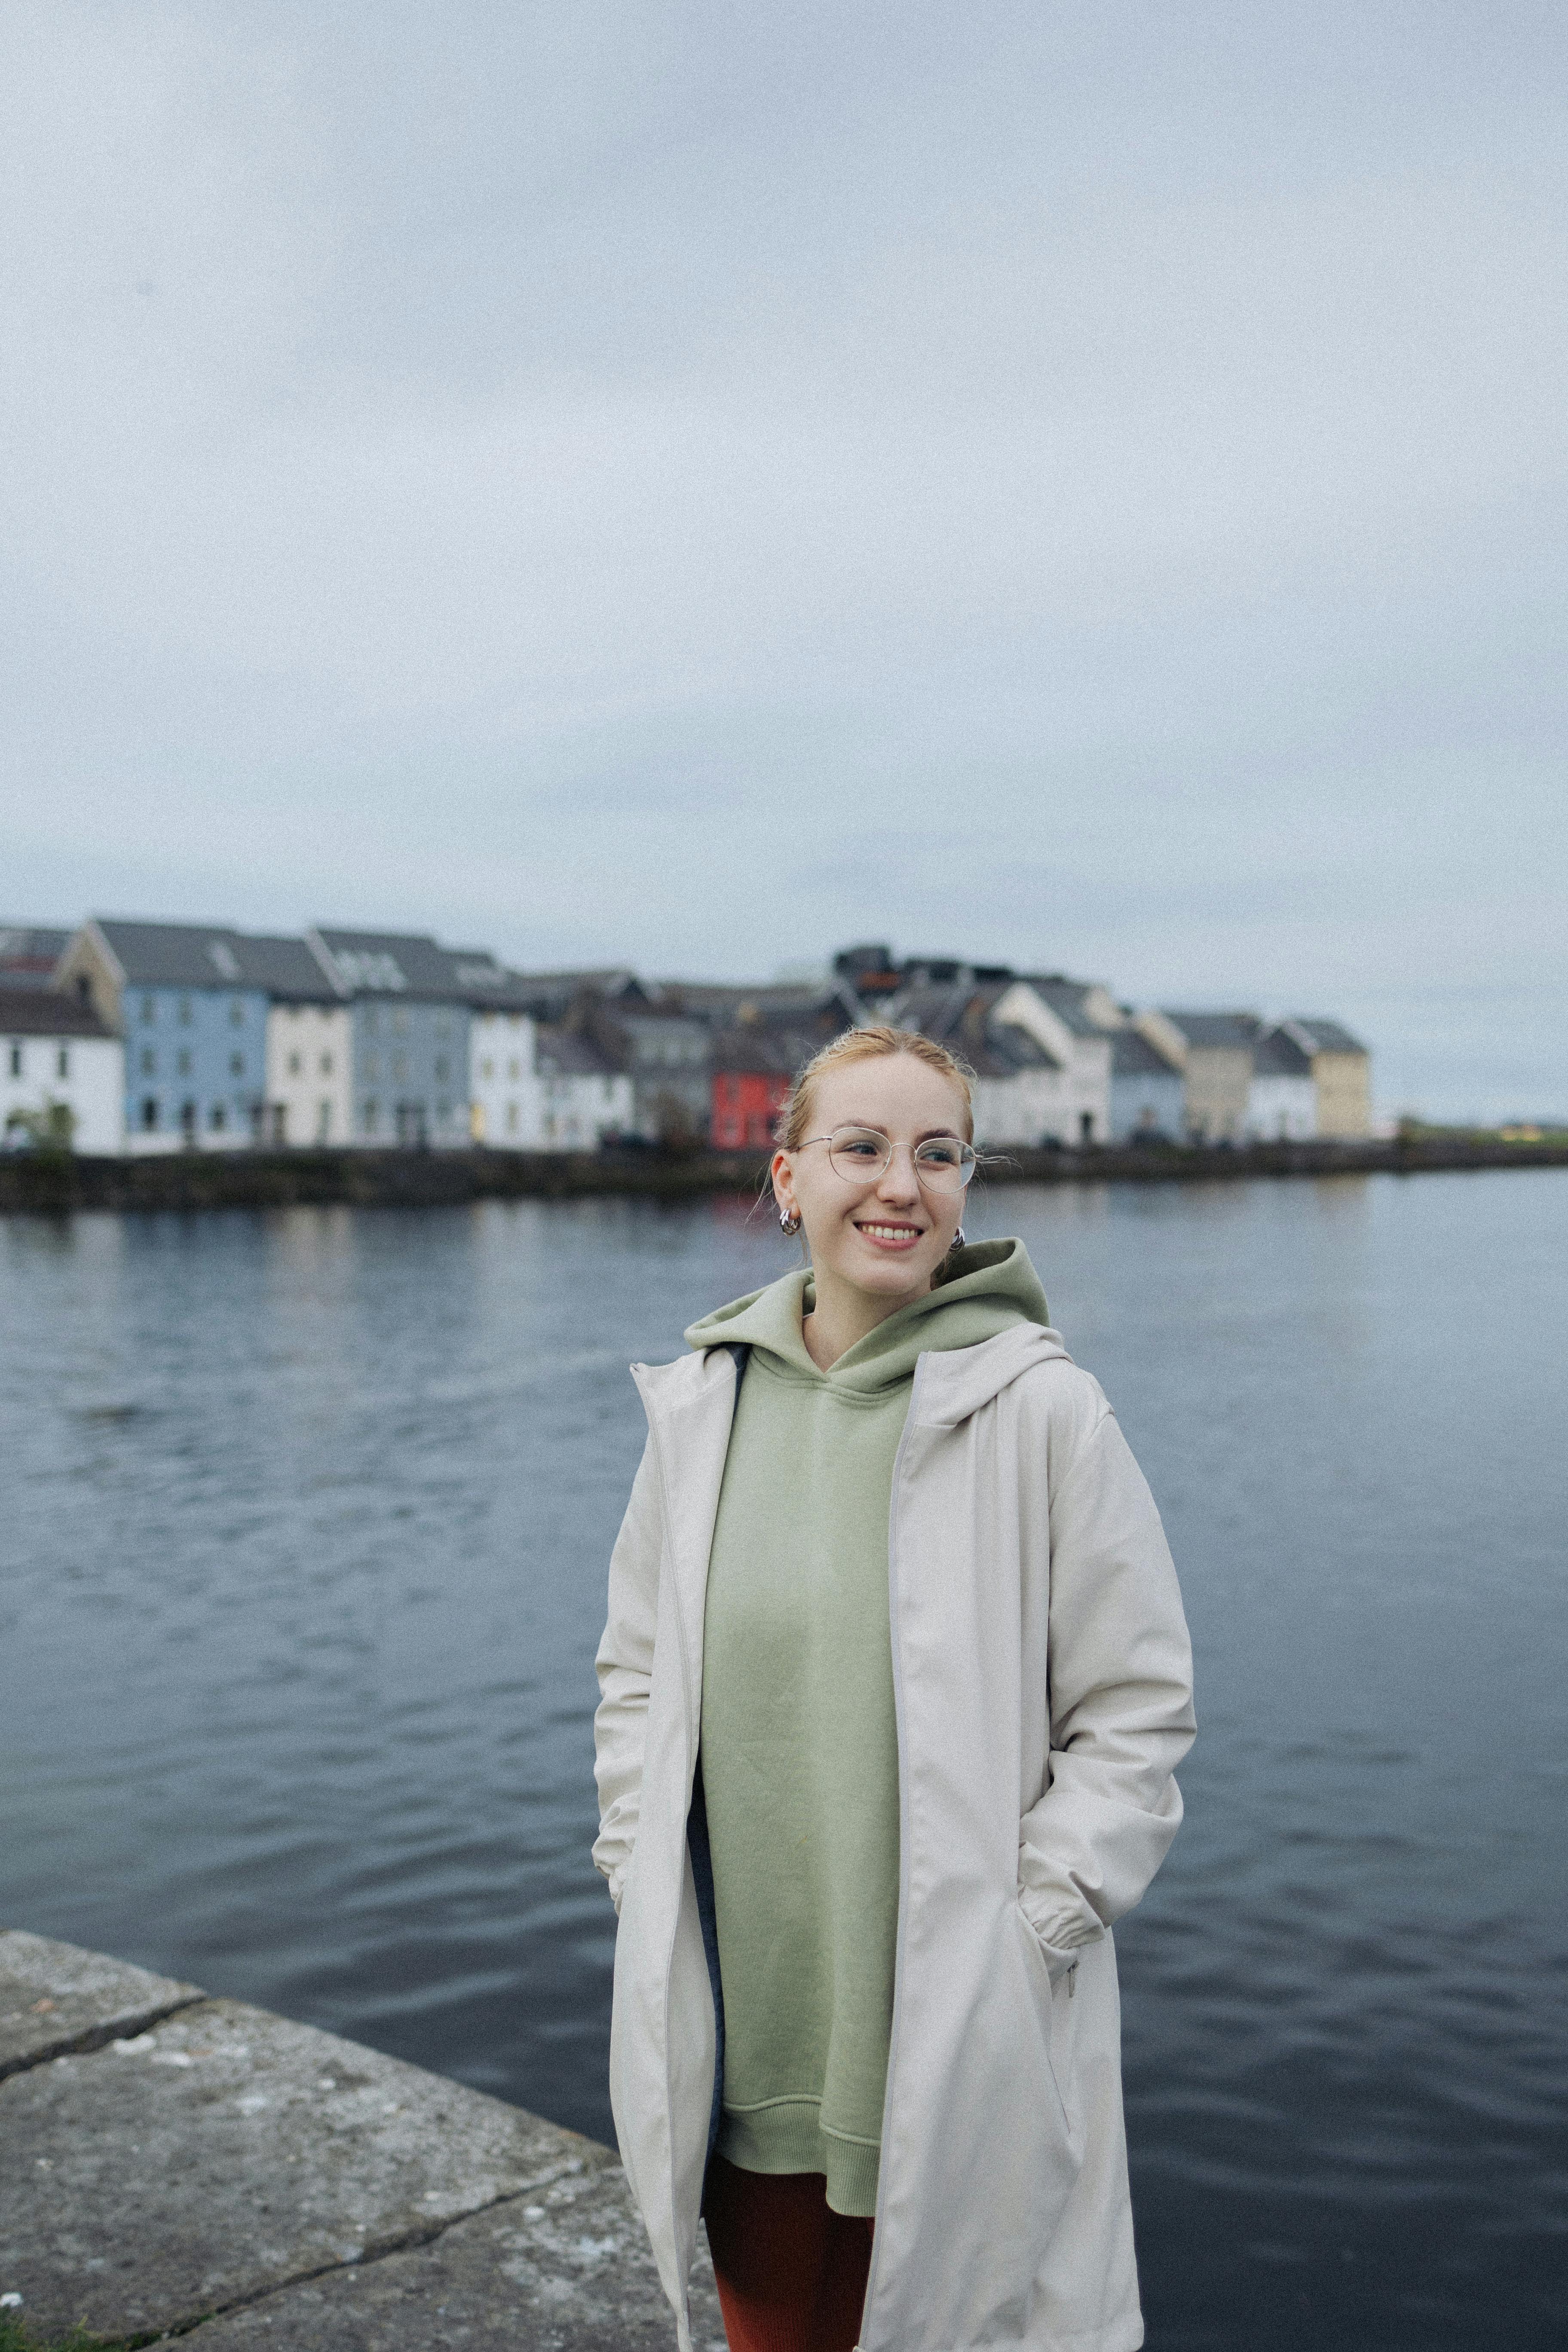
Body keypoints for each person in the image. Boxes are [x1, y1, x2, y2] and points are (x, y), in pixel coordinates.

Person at [593, 1025, 1195, 2352]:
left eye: (938, 1153)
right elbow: (635, 1672)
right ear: (788, 1178)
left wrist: (1031, 1928)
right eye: (859, 1146)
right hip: (750, 2044)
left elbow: (1136, 1712)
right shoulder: (701, 1412)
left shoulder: (1044, 1414)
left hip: (953, 2046)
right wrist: (636, 1857)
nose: (900, 1184)